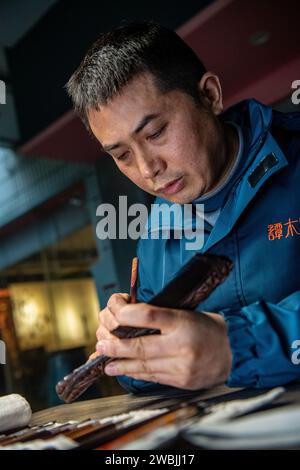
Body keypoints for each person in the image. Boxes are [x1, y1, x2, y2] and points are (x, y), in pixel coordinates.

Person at [66, 22, 300, 393]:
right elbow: (149, 381)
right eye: (122, 154)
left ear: (209, 95)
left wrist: (236, 346)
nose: (147, 169)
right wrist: (123, 347)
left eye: (156, 133)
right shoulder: (155, 237)